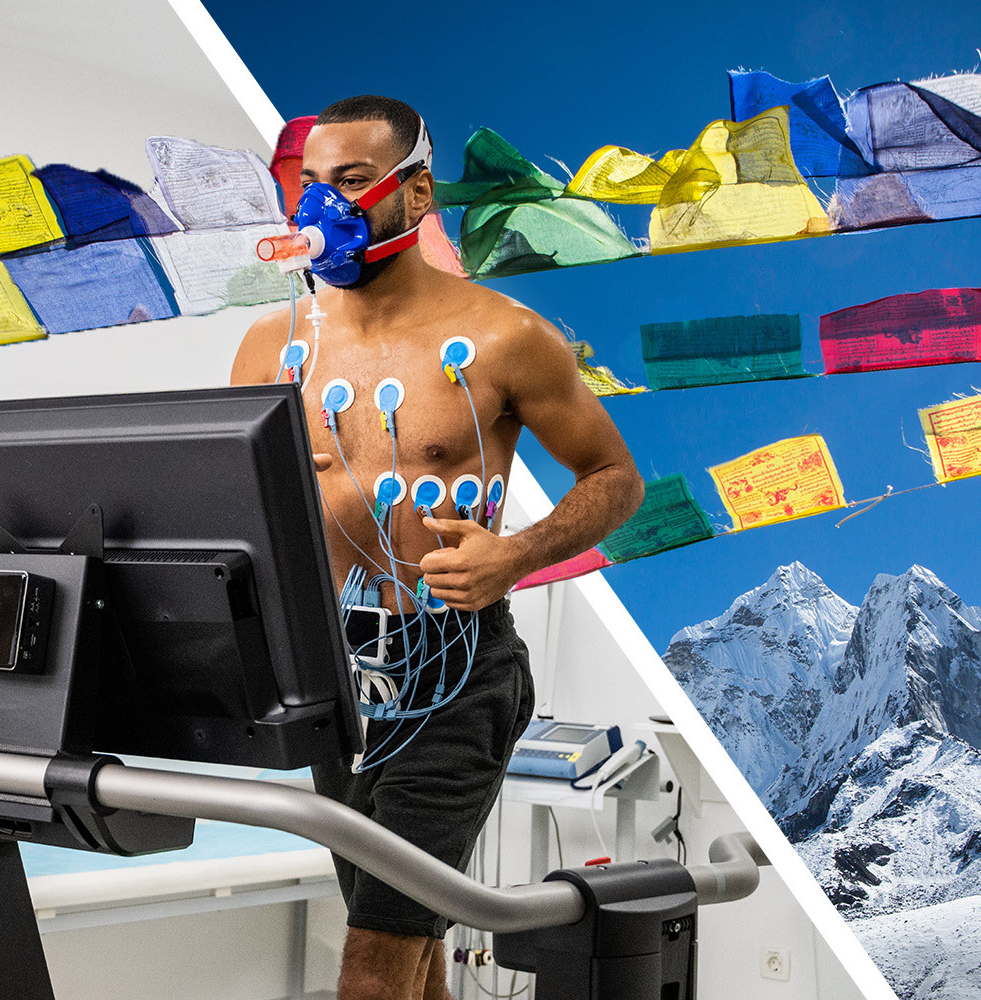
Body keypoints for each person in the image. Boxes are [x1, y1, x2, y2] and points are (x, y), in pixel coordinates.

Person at [230, 95, 643, 1000]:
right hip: (329, 676)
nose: (320, 210)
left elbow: (616, 477)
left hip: (453, 670)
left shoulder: (507, 335)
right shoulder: (270, 346)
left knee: (374, 962)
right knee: (405, 949)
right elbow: (239, 508)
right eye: (308, 187)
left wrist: (517, 553)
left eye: (348, 183)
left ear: (414, 196)